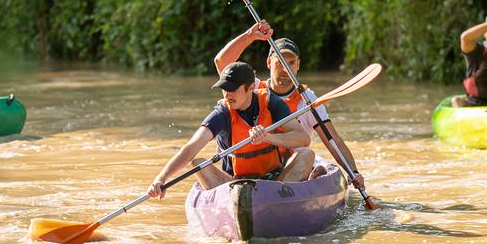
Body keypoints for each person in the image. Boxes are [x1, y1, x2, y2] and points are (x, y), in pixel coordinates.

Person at [213, 22, 365, 189]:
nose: (286, 69)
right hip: (254, 167)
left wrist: (353, 171)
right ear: (269, 63)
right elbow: (222, 62)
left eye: (291, 62)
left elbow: (333, 139)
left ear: (298, 65)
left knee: (310, 158)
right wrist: (250, 35)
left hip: (291, 171)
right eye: (280, 62)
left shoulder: (307, 100)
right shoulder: (252, 88)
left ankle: (308, 179)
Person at [147, 61, 312, 199]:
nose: (227, 95)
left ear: (249, 88)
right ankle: (234, 205)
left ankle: (278, 201)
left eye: (233, 89)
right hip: (234, 184)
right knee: (198, 164)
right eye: (225, 89)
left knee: (307, 155)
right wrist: (161, 178)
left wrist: (267, 138)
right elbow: (191, 148)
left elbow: (303, 139)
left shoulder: (271, 102)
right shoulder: (222, 113)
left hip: (274, 181)